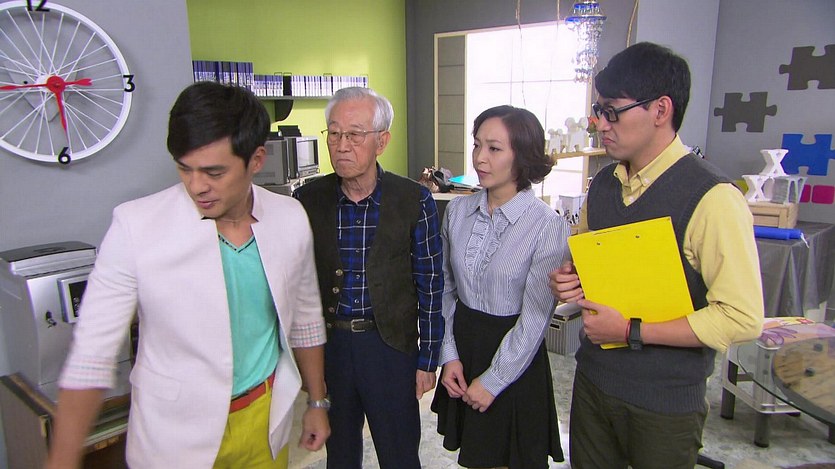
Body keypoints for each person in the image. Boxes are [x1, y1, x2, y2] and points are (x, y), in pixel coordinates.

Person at [45, 82, 329, 469]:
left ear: (256, 160)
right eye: (184, 168)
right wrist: (62, 459)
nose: (197, 186)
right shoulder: (135, 226)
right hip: (173, 438)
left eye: (214, 172)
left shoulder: (289, 217)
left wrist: (316, 401)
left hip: (265, 420)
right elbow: (92, 354)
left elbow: (306, 319)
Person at [549, 42, 764, 469]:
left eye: (613, 112)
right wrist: (571, 281)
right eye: (598, 110)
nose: (600, 124)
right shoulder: (604, 185)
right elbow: (593, 267)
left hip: (664, 403)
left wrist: (631, 330)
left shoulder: (713, 198)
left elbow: (741, 316)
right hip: (594, 384)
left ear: (661, 110)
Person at [293, 87, 443, 469]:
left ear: (382, 141)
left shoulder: (414, 200)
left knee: (399, 455)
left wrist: (428, 360)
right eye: (334, 133)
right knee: (340, 456)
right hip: (333, 347)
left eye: (355, 134)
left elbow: (430, 284)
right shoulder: (308, 200)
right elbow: (299, 286)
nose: (342, 145)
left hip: (390, 347)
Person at [431, 105, 569, 469]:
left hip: (514, 360)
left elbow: (536, 316)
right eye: (477, 145)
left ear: (522, 156)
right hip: (464, 349)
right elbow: (445, 289)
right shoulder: (458, 212)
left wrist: (494, 380)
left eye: (494, 148)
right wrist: (449, 355)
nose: (479, 158)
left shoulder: (546, 225)